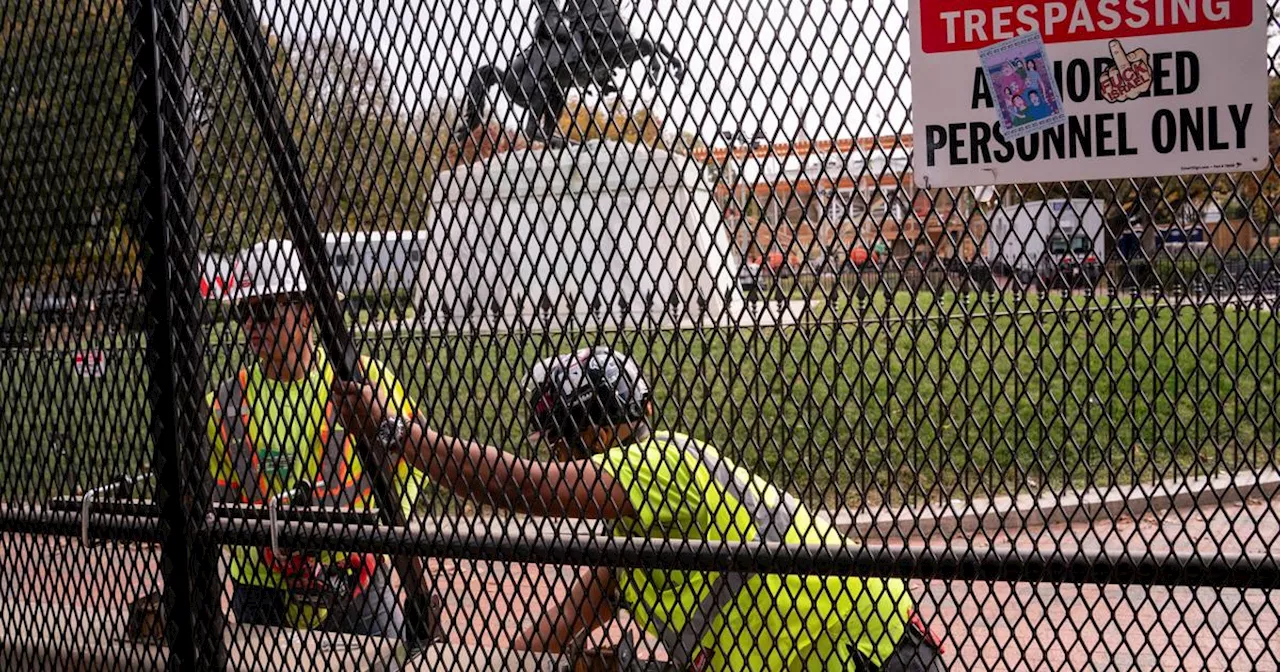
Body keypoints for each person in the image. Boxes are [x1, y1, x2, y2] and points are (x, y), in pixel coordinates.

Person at [332, 346, 945, 670]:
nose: (561, 457)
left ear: (604, 434)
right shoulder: (626, 550)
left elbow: (536, 491)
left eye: (567, 442)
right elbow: (549, 634)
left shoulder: (661, 460)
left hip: (872, 655)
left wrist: (396, 436)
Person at [209, 238, 428, 637]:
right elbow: (216, 497)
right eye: (244, 312)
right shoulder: (222, 405)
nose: (250, 326)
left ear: (306, 310)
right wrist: (261, 547)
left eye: (263, 311)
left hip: (352, 575)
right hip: (262, 587)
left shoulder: (366, 381)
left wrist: (377, 538)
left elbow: (414, 464)